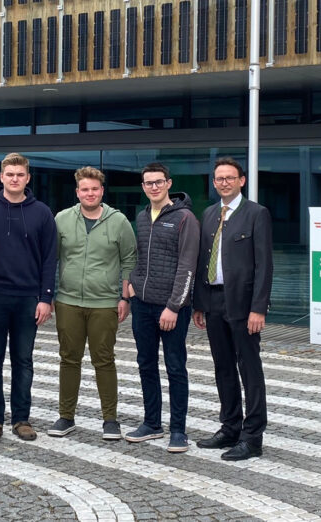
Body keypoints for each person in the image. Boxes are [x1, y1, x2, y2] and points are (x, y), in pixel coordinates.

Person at [47, 166, 137, 440]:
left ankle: (110, 419)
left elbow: (129, 261)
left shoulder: (119, 221)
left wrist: (124, 298)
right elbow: (51, 258)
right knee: (69, 359)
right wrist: (49, 296)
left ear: (102, 191)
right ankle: (66, 416)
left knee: (104, 360)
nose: (90, 193)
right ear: (77, 192)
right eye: (84, 189)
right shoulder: (62, 219)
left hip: (105, 303)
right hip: (68, 302)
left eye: (94, 189)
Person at [193, 157, 273, 461]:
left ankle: (253, 437)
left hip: (243, 304)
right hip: (213, 301)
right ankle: (230, 427)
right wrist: (199, 303)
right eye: (218, 178)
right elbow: (204, 260)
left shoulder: (256, 214)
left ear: (241, 181)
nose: (223, 182)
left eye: (229, 177)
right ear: (214, 183)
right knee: (222, 366)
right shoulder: (210, 213)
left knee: (249, 368)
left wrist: (259, 308)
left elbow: (264, 264)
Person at [0, 153, 57, 443]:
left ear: (27, 178)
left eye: (20, 174)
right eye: (9, 174)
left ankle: (21, 418)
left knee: (23, 361)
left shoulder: (42, 212)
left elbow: (50, 258)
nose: (15, 179)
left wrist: (46, 297)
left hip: (28, 298)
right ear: (1, 177)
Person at [124, 163, 199, 453]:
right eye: (147, 183)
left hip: (171, 309)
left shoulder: (185, 218)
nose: (153, 187)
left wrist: (173, 306)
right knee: (146, 364)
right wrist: (129, 288)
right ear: (143, 186)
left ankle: (178, 430)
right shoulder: (142, 217)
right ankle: (151, 423)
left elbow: (187, 266)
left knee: (176, 366)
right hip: (142, 304)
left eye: (158, 182)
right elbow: (136, 257)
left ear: (168, 183)